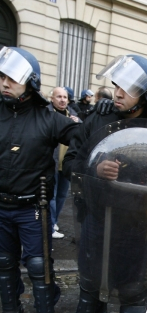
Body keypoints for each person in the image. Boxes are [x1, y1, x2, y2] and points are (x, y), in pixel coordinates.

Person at [57, 54, 147, 313]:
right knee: (91, 276)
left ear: (145, 96)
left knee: (132, 286)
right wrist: (95, 167)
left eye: (128, 88)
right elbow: (70, 161)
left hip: (138, 226)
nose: (118, 92)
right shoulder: (98, 118)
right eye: (117, 85)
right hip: (97, 218)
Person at [0, 46, 78, 313]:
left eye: (12, 78)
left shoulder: (50, 118)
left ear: (30, 82)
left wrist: (102, 120)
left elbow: (83, 139)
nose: (4, 82)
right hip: (1, 208)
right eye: (2, 76)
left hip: (33, 209)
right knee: (4, 265)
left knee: (39, 268)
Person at [47, 87, 81, 239]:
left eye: (65, 97)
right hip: (51, 164)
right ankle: (51, 223)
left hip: (65, 165)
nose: (62, 100)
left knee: (61, 196)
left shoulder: (73, 115)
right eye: (58, 96)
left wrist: (78, 123)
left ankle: (53, 221)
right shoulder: (46, 114)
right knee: (51, 197)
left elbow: (81, 135)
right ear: (52, 98)